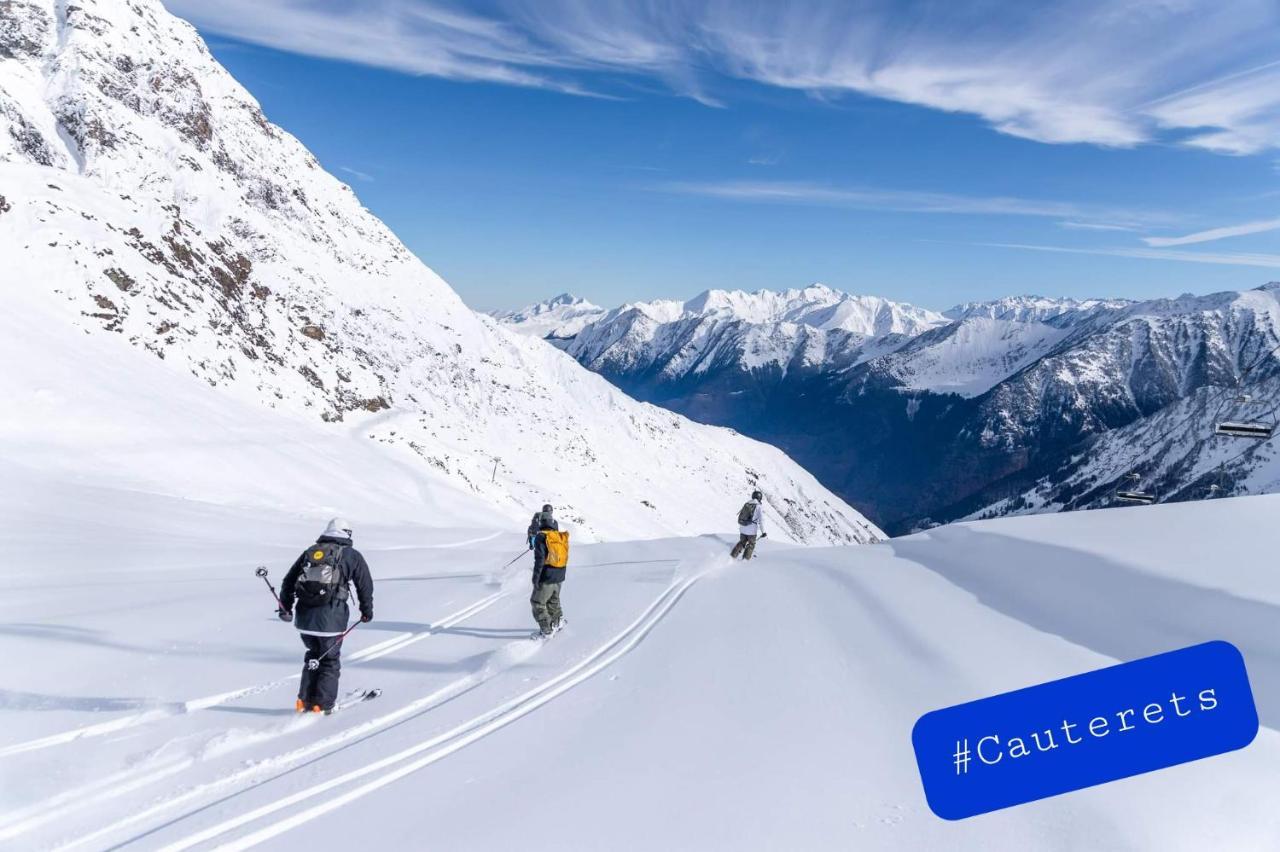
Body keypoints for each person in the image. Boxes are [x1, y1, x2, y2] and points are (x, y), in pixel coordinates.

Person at [278, 517, 374, 713]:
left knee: (313, 656)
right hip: (331, 619)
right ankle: (322, 704)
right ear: (346, 533)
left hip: (304, 620)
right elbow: (364, 584)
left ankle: (303, 701)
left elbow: (288, 580)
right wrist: (366, 610)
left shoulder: (310, 552)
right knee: (329, 661)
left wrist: (285, 607)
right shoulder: (352, 555)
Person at [530, 512, 569, 638]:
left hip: (547, 576)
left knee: (537, 602)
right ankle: (557, 622)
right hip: (559, 575)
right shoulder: (558, 536)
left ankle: (547, 630)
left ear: (541, 522)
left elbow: (540, 560)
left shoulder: (541, 537)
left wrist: (535, 578)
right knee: (553, 600)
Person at [730, 490, 767, 560]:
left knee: (741, 542)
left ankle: (732, 556)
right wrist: (763, 532)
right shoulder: (758, 506)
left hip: (742, 528)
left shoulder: (747, 504)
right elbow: (761, 520)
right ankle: (745, 561)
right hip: (752, 531)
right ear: (759, 498)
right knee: (751, 545)